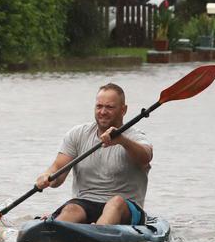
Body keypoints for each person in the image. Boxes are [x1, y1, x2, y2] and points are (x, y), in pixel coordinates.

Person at [35, 82, 153, 225]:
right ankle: (56, 231)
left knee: (115, 203)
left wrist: (122, 141)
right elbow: (57, 169)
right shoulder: (77, 134)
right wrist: (47, 177)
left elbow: (146, 157)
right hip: (85, 203)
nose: (103, 112)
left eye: (109, 107)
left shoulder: (135, 137)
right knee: (71, 208)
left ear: (123, 110)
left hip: (126, 208)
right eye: (99, 106)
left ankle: (99, 236)